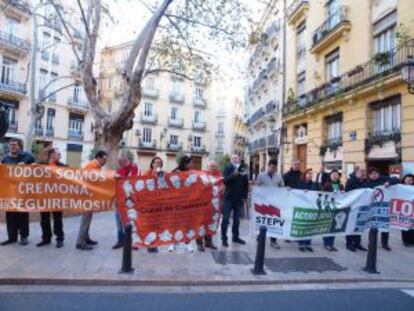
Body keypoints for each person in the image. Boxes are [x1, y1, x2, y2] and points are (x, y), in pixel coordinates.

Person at [1, 138, 35, 246]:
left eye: (15, 145)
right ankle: (12, 237)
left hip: (23, 192)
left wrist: (26, 165)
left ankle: (24, 237)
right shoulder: (5, 159)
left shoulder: (27, 157)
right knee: (10, 215)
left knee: (22, 215)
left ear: (19, 146)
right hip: (10, 192)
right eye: (11, 145)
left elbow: (36, 168)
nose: (12, 147)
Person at [76, 150, 108, 251]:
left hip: (90, 196)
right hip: (87, 197)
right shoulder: (92, 166)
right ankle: (80, 242)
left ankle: (86, 238)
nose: (105, 162)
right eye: (104, 159)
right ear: (98, 157)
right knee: (85, 219)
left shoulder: (96, 166)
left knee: (88, 218)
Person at [36, 148, 66, 248]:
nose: (59, 156)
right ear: (51, 155)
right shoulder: (41, 164)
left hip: (57, 198)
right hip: (44, 197)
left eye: (59, 154)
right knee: (44, 219)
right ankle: (46, 238)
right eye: (58, 154)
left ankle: (60, 239)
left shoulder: (62, 166)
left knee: (57, 219)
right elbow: (30, 172)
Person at [364, 167, 398, 251]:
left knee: (385, 226)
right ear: (369, 175)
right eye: (372, 174)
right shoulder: (367, 183)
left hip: (384, 207)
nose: (374, 175)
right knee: (373, 226)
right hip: (373, 208)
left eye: (376, 173)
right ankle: (371, 243)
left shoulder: (383, 179)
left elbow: (396, 179)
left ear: (379, 174)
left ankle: (385, 243)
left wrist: (388, 182)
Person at [112, 152, 140, 250]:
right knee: (119, 221)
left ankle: (133, 242)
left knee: (132, 220)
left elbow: (136, 181)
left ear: (126, 160)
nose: (119, 163)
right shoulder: (118, 171)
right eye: (119, 162)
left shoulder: (135, 168)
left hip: (131, 200)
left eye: (121, 161)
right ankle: (120, 240)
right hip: (119, 200)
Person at [255, 159, 284, 249]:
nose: (273, 169)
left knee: (274, 221)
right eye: (271, 167)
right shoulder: (261, 176)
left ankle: (273, 241)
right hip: (264, 203)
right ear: (268, 166)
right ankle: (260, 236)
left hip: (275, 203)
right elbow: (257, 187)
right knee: (264, 220)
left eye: (274, 168)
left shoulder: (279, 176)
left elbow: (282, 187)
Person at [221, 154, 249, 248]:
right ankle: (224, 239)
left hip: (238, 199)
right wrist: (234, 174)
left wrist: (244, 196)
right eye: (233, 158)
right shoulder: (228, 168)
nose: (234, 159)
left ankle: (235, 237)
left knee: (237, 220)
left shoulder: (243, 170)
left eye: (236, 158)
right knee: (225, 219)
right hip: (228, 198)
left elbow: (246, 184)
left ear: (239, 159)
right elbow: (225, 180)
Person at [169, 155, 195, 253]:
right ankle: (172, 242)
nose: (192, 164)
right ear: (185, 164)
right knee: (174, 223)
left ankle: (187, 243)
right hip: (176, 202)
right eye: (190, 163)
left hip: (188, 202)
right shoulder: (175, 172)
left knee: (187, 223)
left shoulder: (192, 173)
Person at [194, 160, 220, 251]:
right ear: (207, 167)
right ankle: (199, 243)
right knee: (200, 223)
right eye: (211, 166)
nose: (213, 168)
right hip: (202, 205)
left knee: (211, 223)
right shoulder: (201, 176)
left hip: (214, 205)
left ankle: (208, 242)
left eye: (214, 166)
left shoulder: (218, 176)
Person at [141, 156, 164, 253]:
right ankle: (150, 244)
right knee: (149, 225)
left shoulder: (162, 174)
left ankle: (154, 243)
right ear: (152, 164)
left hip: (158, 203)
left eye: (159, 163)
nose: (157, 164)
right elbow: (142, 184)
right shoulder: (147, 172)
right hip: (148, 203)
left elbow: (164, 186)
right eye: (156, 162)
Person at [344, 167, 368, 252]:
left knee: (359, 225)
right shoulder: (350, 181)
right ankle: (349, 243)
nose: (363, 173)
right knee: (351, 225)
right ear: (356, 172)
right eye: (361, 171)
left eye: (364, 171)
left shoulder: (365, 181)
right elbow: (347, 193)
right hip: (353, 207)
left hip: (362, 207)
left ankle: (357, 243)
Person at [297, 168, 320, 252]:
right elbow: (296, 194)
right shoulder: (300, 183)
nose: (310, 175)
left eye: (311, 174)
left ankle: (308, 243)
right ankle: (301, 243)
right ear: (305, 175)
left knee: (310, 226)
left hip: (312, 208)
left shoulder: (315, 184)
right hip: (303, 208)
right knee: (303, 226)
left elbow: (319, 194)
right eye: (309, 173)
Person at [322, 170, 344, 252]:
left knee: (334, 227)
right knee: (327, 226)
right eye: (333, 174)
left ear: (339, 176)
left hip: (337, 208)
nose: (335, 176)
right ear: (330, 176)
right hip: (329, 208)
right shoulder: (327, 185)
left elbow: (343, 196)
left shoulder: (341, 185)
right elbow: (323, 195)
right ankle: (326, 243)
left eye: (336, 174)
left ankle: (332, 244)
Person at [401, 174, 414, 246]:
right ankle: (405, 240)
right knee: (404, 224)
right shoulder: (400, 187)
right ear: (404, 180)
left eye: (411, 179)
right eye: (407, 179)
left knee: (412, 225)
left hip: (412, 208)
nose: (409, 181)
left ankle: (412, 240)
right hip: (403, 208)